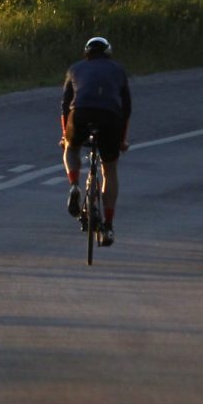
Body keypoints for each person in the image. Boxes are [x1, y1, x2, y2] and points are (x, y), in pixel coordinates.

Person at [60, 35, 130, 246]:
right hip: (111, 117)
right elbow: (126, 109)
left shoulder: (75, 69)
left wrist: (65, 135)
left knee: (71, 149)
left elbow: (65, 106)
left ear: (86, 53)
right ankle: (108, 226)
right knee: (109, 169)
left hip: (80, 114)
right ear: (108, 53)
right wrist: (121, 140)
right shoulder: (118, 70)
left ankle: (74, 184)